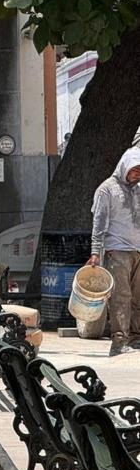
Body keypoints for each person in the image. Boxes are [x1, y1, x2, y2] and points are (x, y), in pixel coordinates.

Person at [86, 146, 140, 356]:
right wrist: (95, 252)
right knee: (120, 297)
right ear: (125, 166)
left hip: (138, 250)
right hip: (117, 251)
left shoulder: (138, 188)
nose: (136, 175)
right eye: (134, 170)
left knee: (138, 297)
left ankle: (136, 338)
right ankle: (119, 342)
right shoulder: (106, 189)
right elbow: (99, 224)